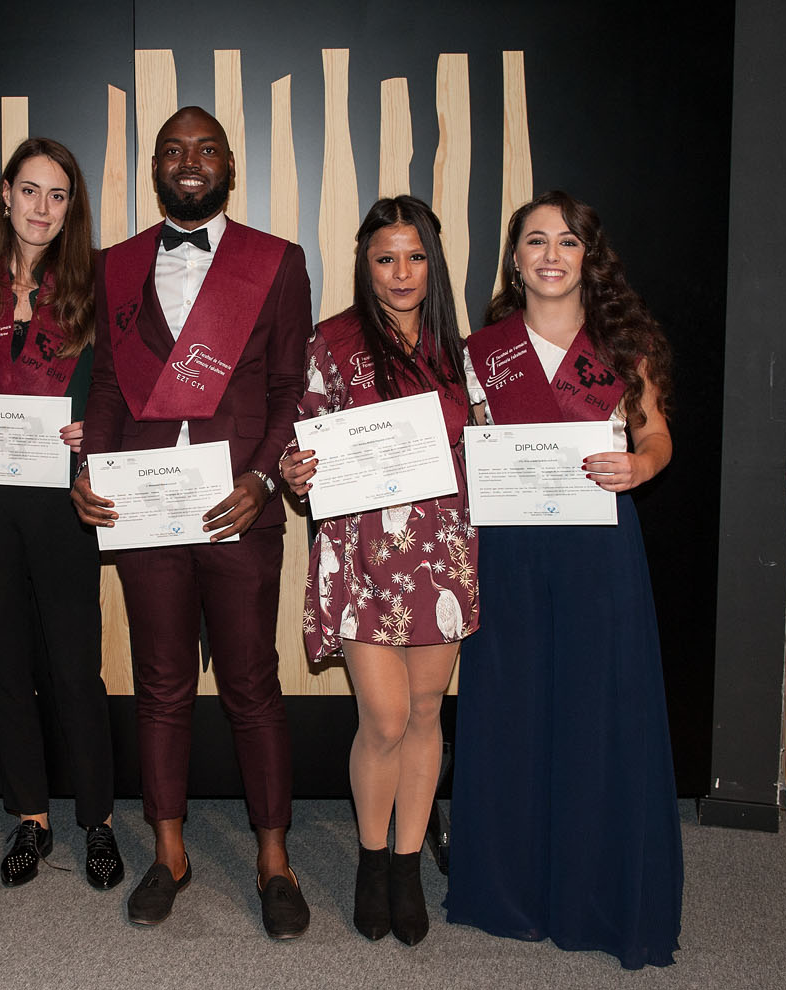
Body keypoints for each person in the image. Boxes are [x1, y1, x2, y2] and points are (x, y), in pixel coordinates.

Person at [72, 106, 313, 937]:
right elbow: (109, 386)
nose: (189, 161)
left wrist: (262, 480)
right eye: (173, 150)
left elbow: (289, 387)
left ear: (228, 164)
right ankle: (169, 854)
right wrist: (89, 470)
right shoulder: (117, 264)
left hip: (239, 505)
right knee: (162, 685)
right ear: (154, 167)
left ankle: (274, 861)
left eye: (206, 149)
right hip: (145, 507)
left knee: (251, 685)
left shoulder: (276, 262)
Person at [445, 190, 682, 968]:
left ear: (588, 258)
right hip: (507, 551)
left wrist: (641, 465)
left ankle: (594, 894)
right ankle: (508, 891)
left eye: (568, 241)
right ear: (514, 260)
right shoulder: (478, 353)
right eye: (536, 240)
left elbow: (656, 434)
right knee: (509, 712)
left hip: (598, 549)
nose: (551, 254)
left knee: (598, 712)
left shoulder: (621, 348)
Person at [280, 196, 477, 946]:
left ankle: (405, 864)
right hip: (362, 552)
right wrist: (295, 468)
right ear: (365, 265)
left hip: (443, 550)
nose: (401, 273)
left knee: (426, 714)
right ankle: (370, 857)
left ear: (433, 262)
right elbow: (300, 431)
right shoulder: (332, 342)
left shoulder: (462, 349)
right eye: (385, 258)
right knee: (386, 717)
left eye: (415, 257)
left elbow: (488, 441)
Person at [0, 138, 122, 890]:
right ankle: (31, 817)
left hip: (61, 494)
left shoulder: (94, 280)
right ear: (5, 195)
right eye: (31, 190)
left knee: (74, 666)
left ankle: (98, 820)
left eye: (58, 195)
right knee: (5, 660)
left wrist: (91, 425)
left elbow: (113, 378)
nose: (43, 208)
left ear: (72, 208)